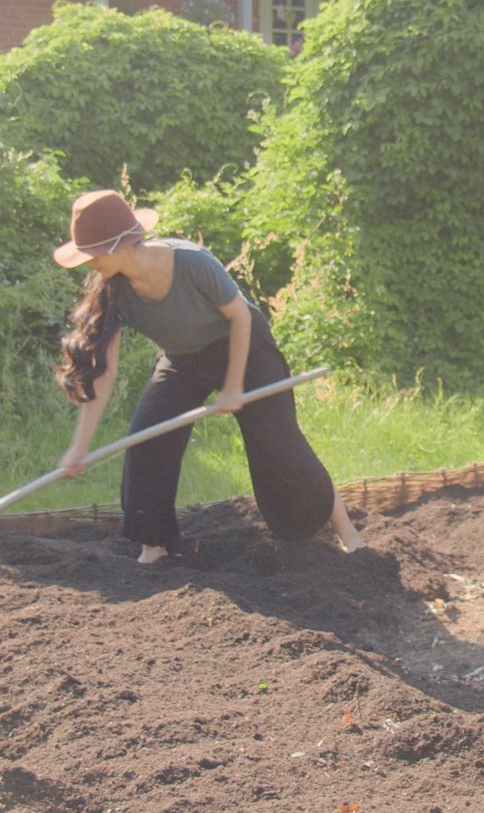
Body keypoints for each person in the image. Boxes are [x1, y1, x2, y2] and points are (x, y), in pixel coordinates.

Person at [50, 189, 363, 564]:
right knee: (147, 437)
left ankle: (348, 533)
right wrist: (79, 446)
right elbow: (104, 371)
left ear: (119, 244)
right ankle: (154, 546)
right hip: (184, 360)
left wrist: (232, 387)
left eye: (91, 252)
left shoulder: (190, 262)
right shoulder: (113, 291)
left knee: (281, 444)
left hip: (245, 349)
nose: (88, 263)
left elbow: (240, 317)